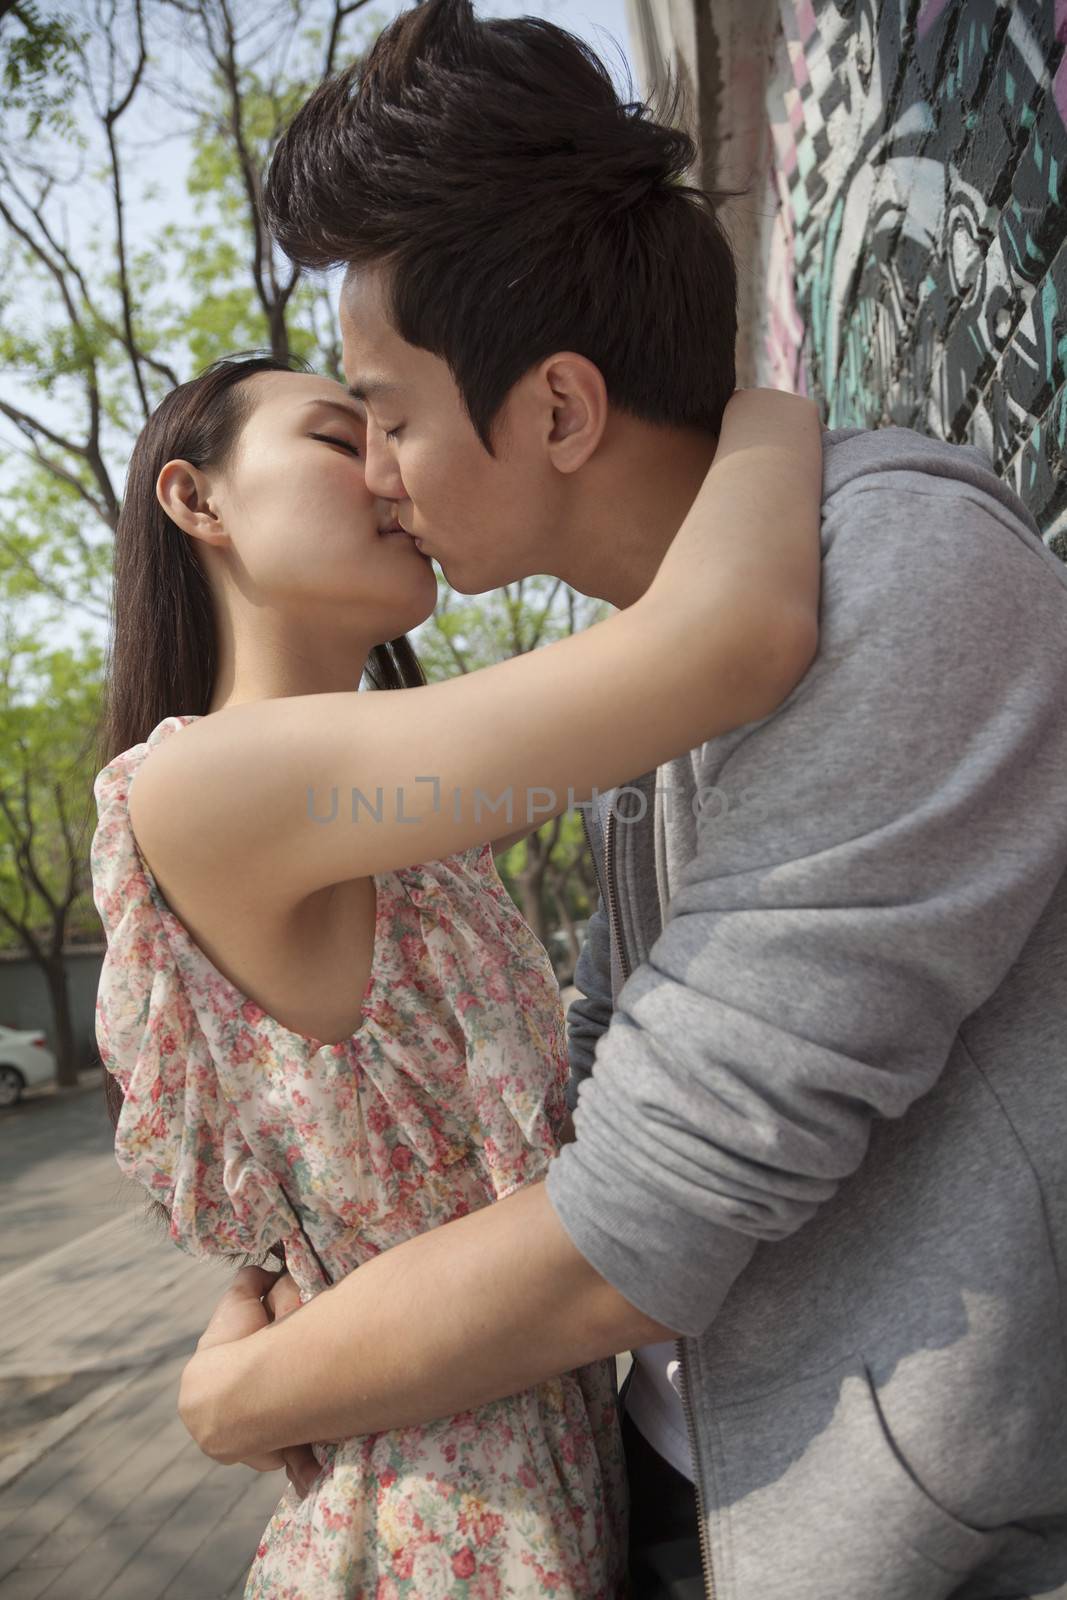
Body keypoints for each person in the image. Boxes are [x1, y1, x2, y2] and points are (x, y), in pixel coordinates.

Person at [173, 2, 1067, 1598]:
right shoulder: (647, 684)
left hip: (859, 1526)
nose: (375, 469)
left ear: (561, 410)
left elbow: (641, 1206)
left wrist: (241, 1394)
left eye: (381, 412)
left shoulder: (896, 582)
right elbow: (607, 1065)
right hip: (630, 1482)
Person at [90, 347, 823, 1599]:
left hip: (539, 1482)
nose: (389, 469)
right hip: (431, 1530)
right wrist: (766, 399)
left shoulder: (396, 823)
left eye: (388, 429)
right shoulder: (211, 780)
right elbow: (733, 638)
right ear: (196, 502)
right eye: (337, 437)